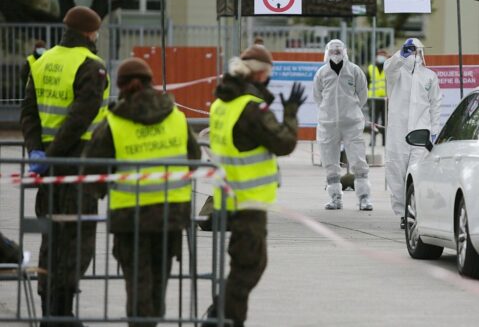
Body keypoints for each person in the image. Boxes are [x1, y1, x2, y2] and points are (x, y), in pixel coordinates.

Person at [84, 58, 200, 327]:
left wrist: (101, 190)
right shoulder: (176, 117)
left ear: (122, 87)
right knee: (159, 282)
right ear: (151, 83)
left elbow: (93, 167)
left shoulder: (113, 122)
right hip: (171, 216)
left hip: (130, 218)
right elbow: (194, 158)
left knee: (137, 283)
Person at [20, 5, 110, 325]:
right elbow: (80, 117)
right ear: (89, 33)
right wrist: (56, 153)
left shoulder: (42, 62)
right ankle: (61, 311)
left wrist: (37, 152)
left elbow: (28, 112)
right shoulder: (91, 65)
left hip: (48, 166)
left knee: (51, 238)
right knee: (78, 241)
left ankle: (49, 310)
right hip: (79, 164)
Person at [204, 45, 305, 327]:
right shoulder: (251, 108)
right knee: (249, 266)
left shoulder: (222, 102)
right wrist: (291, 113)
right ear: (261, 74)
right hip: (249, 200)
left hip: (228, 196)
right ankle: (223, 318)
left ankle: (220, 314)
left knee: (244, 263)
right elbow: (284, 142)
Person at [384, 38, 442, 229]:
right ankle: (403, 213)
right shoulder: (396, 73)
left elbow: (436, 105)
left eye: (416, 51)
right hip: (398, 133)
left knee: (417, 174)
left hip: (420, 134)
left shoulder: (429, 76)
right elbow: (389, 67)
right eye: (411, 51)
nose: (414, 55)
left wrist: (435, 131)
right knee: (396, 173)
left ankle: (417, 212)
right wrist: (401, 55)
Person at [313, 39, 373, 211]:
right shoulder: (321, 73)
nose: (336, 54)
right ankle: (335, 197)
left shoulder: (354, 71)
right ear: (327, 52)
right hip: (328, 124)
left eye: (339, 51)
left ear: (344, 52)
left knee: (358, 161)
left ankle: (364, 198)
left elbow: (363, 95)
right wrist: (328, 112)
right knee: (330, 162)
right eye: (333, 51)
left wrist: (351, 111)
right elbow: (318, 97)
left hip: (351, 124)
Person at [367, 49, 388, 146]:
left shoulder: (388, 68)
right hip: (373, 99)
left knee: (385, 121)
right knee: (373, 121)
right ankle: (373, 140)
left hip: (385, 99)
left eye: (383, 55)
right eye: (380, 54)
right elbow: (366, 83)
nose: (381, 56)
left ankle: (385, 142)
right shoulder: (371, 68)